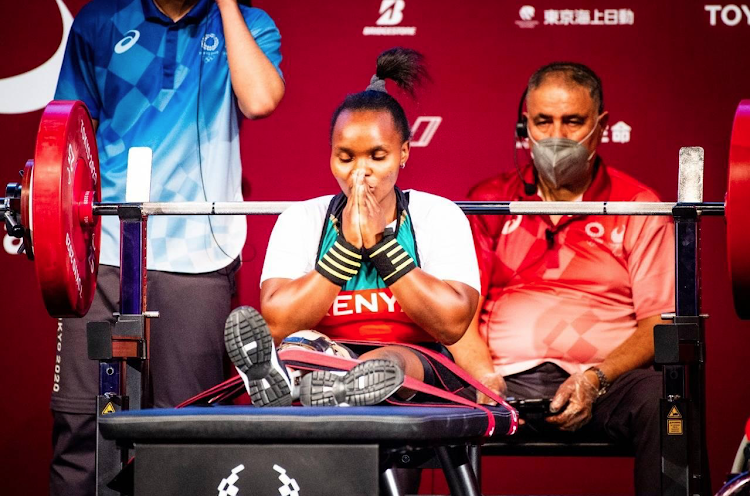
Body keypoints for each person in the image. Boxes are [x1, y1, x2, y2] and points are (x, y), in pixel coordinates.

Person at [50, 0, 284, 494]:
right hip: (105, 258)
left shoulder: (250, 25)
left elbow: (261, 100)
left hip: (197, 260)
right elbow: (67, 135)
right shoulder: (99, 22)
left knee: (187, 434)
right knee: (84, 431)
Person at [456, 62, 675, 495]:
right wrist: (482, 375)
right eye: (543, 121)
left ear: (601, 126)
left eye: (573, 121)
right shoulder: (489, 202)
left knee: (663, 400)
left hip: (604, 384)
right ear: (525, 126)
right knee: (409, 389)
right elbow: (458, 314)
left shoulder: (638, 205)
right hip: (501, 382)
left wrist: (596, 378)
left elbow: (658, 322)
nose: (557, 136)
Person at [224, 47, 482, 412]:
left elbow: (452, 323)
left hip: (416, 360)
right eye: (345, 157)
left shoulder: (438, 214)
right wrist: (344, 247)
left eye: (378, 156)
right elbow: (278, 321)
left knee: (389, 360)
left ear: (404, 152)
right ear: (330, 154)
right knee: (299, 345)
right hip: (327, 351)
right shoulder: (303, 219)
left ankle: (321, 382)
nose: (360, 172)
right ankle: (301, 378)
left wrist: (380, 243)